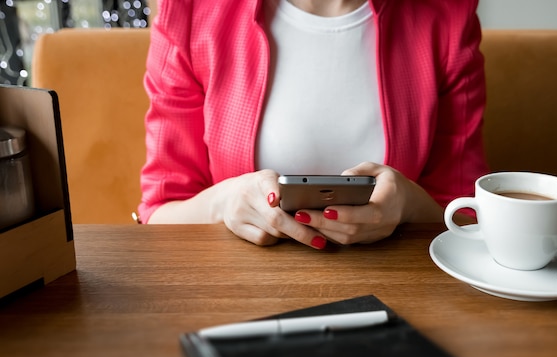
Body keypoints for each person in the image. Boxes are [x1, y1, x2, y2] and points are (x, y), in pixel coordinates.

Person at [138, 0, 489, 249]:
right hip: (237, 291)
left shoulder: (448, 15)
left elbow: (466, 215)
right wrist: (224, 202)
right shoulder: (190, 11)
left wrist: (409, 204)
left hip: (398, 292)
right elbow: (159, 212)